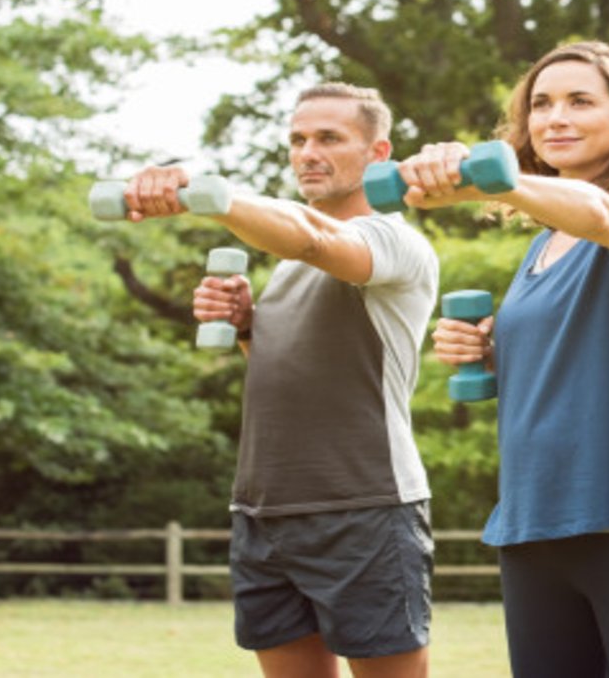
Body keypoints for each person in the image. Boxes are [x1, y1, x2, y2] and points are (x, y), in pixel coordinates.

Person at [401, 40, 609, 678]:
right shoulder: (542, 247)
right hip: (535, 526)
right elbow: (577, 359)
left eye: (581, 101)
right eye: (541, 105)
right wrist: (489, 352)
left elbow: (603, 212)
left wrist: (491, 176)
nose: (555, 118)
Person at [121, 83, 439, 678]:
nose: (307, 153)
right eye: (297, 140)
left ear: (378, 153)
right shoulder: (287, 263)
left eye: (328, 138)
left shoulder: (395, 242)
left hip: (364, 506)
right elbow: (295, 373)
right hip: (264, 511)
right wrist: (247, 328)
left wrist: (206, 194)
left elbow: (317, 236)